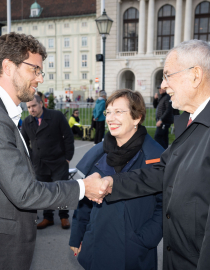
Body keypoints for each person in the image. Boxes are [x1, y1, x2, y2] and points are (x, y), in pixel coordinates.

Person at [92, 39, 210, 270]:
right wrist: (111, 182)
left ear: (195, 75)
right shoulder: (193, 120)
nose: (163, 85)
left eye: (167, 75)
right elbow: (163, 172)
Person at [0, 32, 103, 270]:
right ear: (8, 67)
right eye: (35, 69)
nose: (40, 79)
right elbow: (24, 192)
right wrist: (85, 187)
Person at [69, 89, 163, 270]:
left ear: (137, 118)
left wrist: (143, 239)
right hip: (96, 244)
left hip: (133, 252)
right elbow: (85, 201)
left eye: (118, 112)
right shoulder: (97, 154)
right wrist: (78, 234)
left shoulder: (156, 157)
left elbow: (165, 206)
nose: (111, 118)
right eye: (108, 112)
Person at [21, 95, 74, 230]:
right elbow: (24, 144)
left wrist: (68, 157)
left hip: (58, 161)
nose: (31, 110)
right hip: (40, 164)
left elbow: (68, 136)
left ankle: (64, 216)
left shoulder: (56, 116)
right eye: (28, 107)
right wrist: (32, 159)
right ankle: (48, 217)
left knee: (62, 190)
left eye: (33, 106)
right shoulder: (27, 122)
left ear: (41, 104)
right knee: (45, 191)